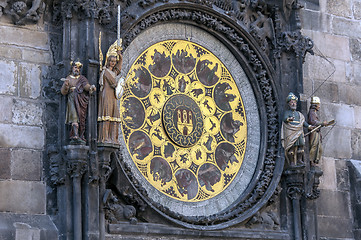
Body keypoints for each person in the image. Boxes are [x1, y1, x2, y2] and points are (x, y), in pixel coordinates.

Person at [61, 61, 96, 144]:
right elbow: (63, 92)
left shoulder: (82, 78)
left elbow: (86, 86)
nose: (77, 69)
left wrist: (91, 87)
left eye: (79, 68)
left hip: (80, 100)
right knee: (74, 116)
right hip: (72, 99)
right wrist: (66, 86)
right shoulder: (68, 78)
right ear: (72, 68)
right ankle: (75, 134)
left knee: (81, 118)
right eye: (75, 67)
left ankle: (80, 134)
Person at [97, 48, 123, 145]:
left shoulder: (113, 72)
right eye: (111, 61)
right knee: (107, 115)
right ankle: (104, 138)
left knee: (114, 116)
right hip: (106, 95)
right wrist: (119, 84)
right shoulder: (106, 72)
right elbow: (113, 83)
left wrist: (120, 57)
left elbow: (118, 69)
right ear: (108, 61)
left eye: (114, 62)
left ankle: (114, 138)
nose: (113, 63)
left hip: (112, 96)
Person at [281, 92, 313, 166]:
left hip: (299, 131)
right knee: (291, 147)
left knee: (301, 146)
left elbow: (303, 122)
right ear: (289, 104)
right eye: (291, 102)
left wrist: (308, 126)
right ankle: (292, 162)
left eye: (294, 102)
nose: (293, 104)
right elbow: (284, 118)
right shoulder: (287, 112)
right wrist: (289, 119)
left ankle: (299, 160)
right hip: (290, 131)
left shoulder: (299, 114)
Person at [307, 96, 327, 166]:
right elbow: (312, 122)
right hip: (314, 132)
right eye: (318, 105)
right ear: (315, 105)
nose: (319, 106)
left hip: (317, 132)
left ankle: (315, 160)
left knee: (320, 148)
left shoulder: (314, 112)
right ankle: (311, 160)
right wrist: (322, 123)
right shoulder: (312, 112)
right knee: (314, 146)